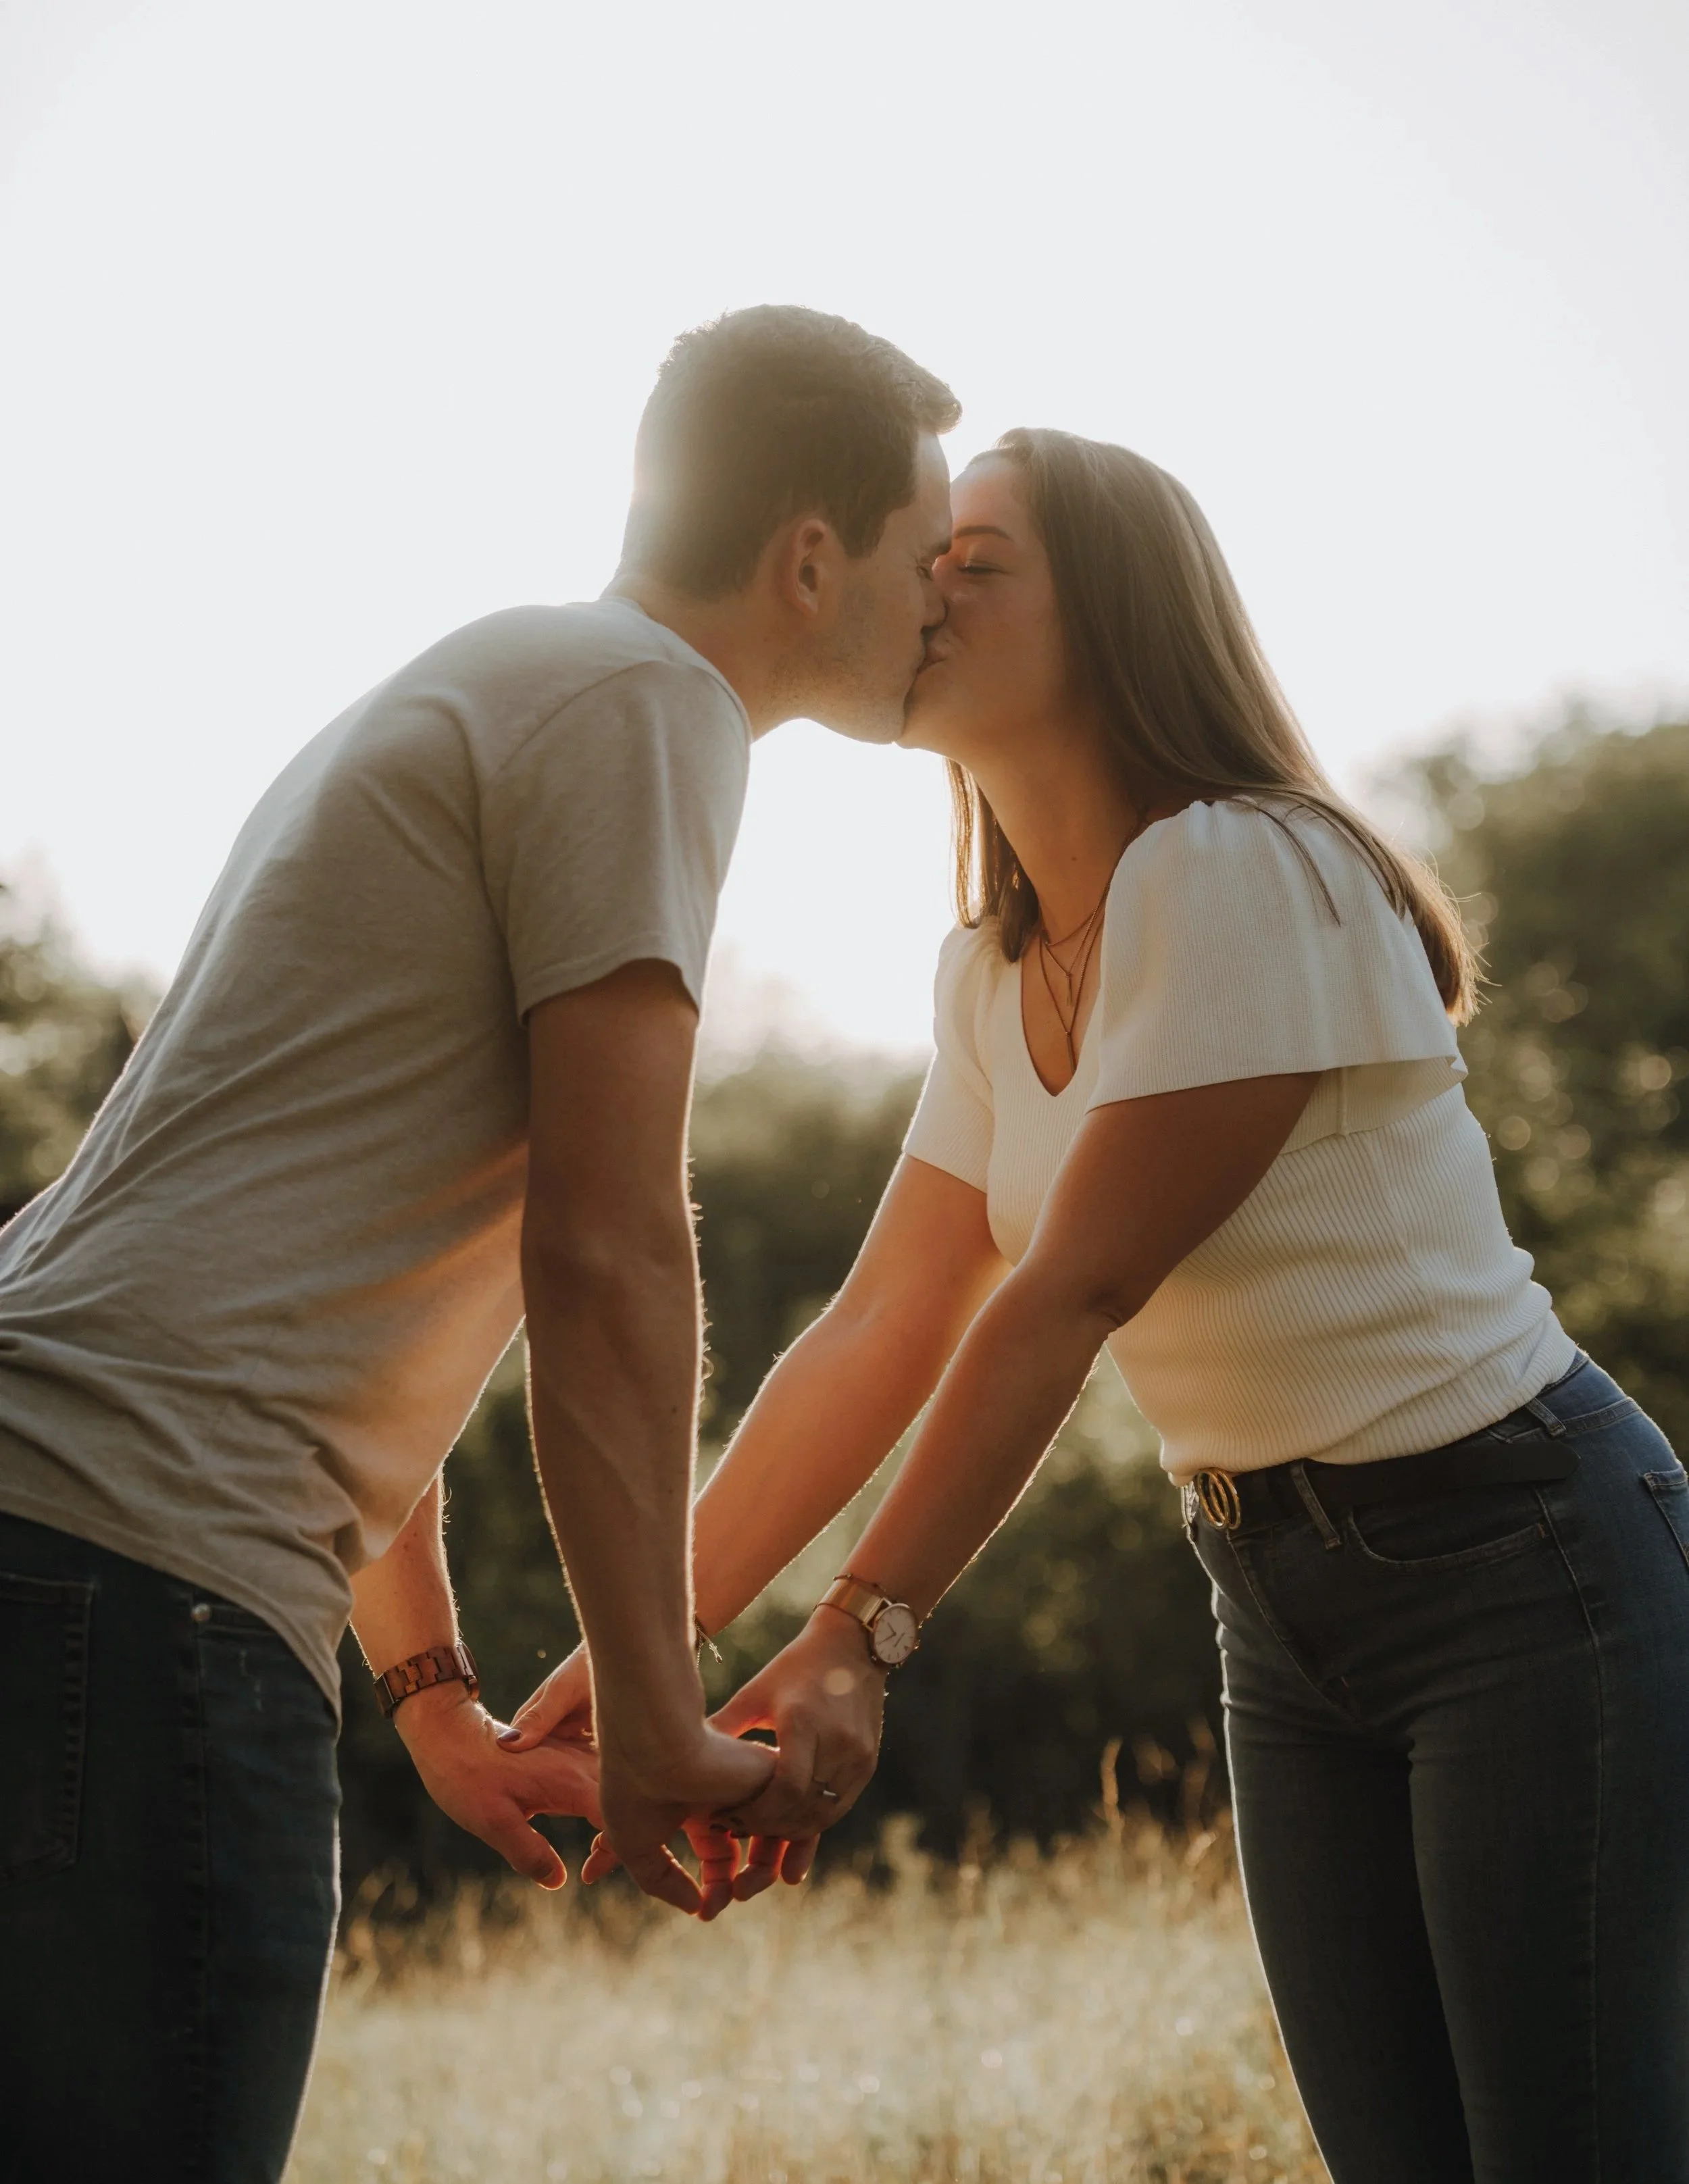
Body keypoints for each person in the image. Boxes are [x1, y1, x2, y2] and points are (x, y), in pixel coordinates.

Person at [512, 426, 1689, 2184]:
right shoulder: (992, 971)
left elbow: (1066, 1295)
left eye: (979, 565)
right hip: (1273, 1597)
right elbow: (880, 1328)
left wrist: (855, 1636)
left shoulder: (1242, 868)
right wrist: (640, 1641)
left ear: (1117, 619)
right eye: (931, 561)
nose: (931, 594)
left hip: (1523, 1564)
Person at [0, 304, 958, 2182]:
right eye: (928, 560)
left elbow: (333, 1248)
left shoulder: (506, 676)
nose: (938, 604)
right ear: (810, 557)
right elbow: (606, 1253)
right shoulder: (652, 707)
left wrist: (433, 1696)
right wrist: (660, 1717)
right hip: (135, 1599)